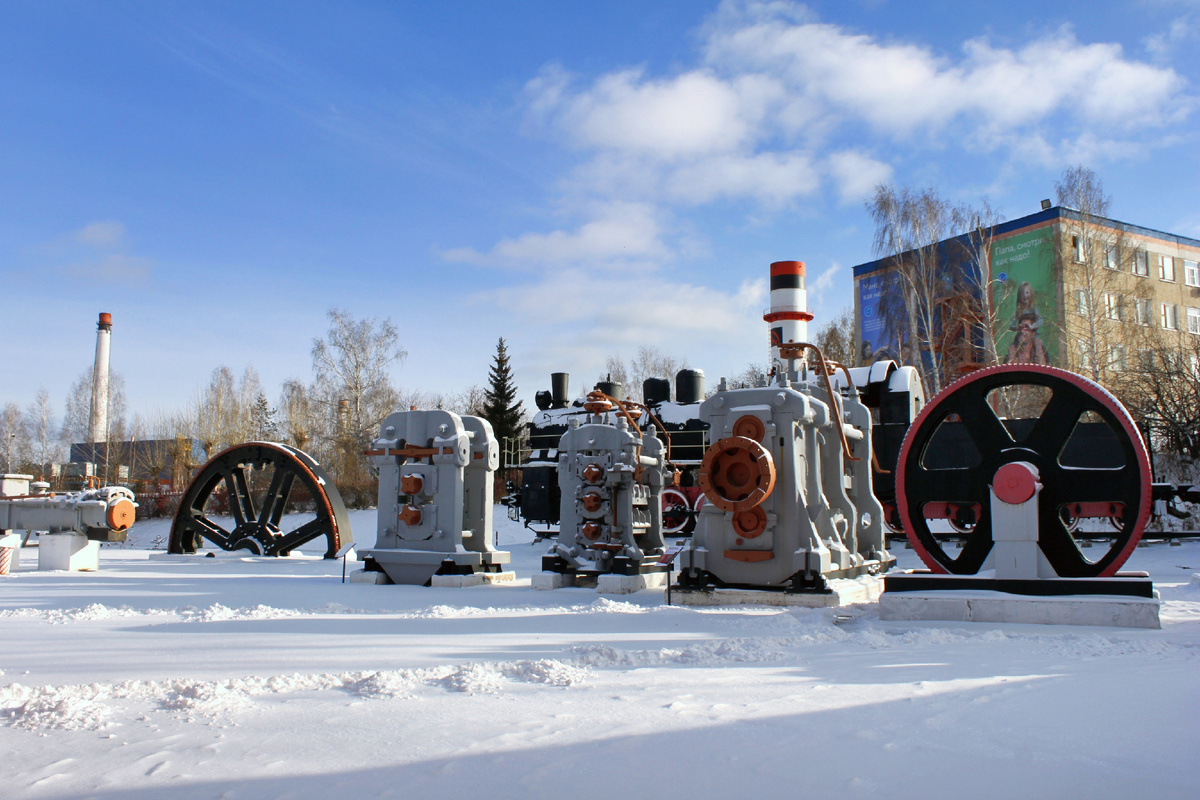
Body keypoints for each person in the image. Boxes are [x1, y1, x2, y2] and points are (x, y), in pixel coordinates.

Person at [1005, 281, 1049, 365]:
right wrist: (1017, 327)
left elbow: (1041, 320)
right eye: (1023, 294)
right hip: (1021, 335)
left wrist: (1032, 326)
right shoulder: (1019, 310)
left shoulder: (1033, 308)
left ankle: (1041, 363)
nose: (1025, 296)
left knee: (1038, 345)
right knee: (1013, 347)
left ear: (1031, 294)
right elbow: (1011, 325)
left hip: (1033, 334)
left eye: (1027, 293)